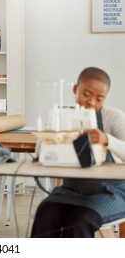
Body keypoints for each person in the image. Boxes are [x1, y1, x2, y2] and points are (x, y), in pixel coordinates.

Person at [31, 67, 125, 238]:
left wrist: (107, 140)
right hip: (71, 189)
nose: (91, 102)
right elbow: (40, 152)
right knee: (45, 213)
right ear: (76, 90)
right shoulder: (62, 115)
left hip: (111, 191)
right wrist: (52, 135)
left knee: (79, 222)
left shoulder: (113, 117)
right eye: (86, 94)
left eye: (99, 98)